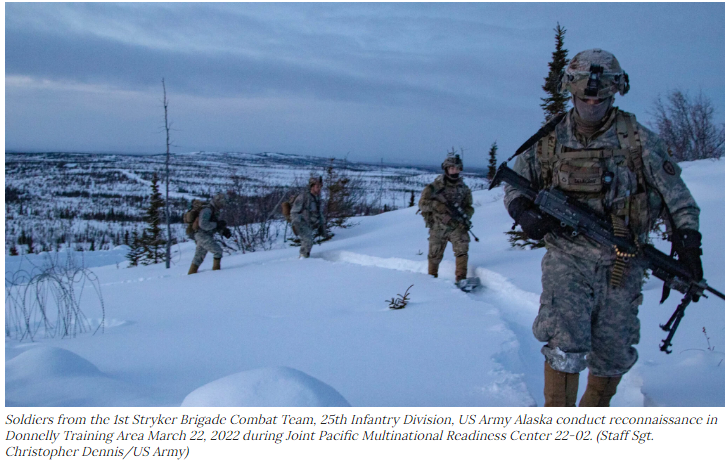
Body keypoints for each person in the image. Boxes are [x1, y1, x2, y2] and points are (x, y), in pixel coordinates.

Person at [503, 49, 702, 407]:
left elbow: (679, 199)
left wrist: (689, 245)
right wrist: (524, 213)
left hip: (623, 260)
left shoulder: (637, 139)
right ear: (571, 91)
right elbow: (515, 182)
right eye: (584, 96)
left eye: (600, 97)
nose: (592, 103)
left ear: (615, 92)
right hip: (568, 256)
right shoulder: (549, 140)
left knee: (613, 350)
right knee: (564, 340)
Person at [419, 152, 474, 283]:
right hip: (438, 226)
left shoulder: (464, 189)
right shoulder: (434, 187)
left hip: (456, 225)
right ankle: (431, 280)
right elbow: (422, 204)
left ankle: (461, 280)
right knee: (434, 254)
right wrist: (436, 205)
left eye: (457, 168)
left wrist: (464, 217)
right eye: (451, 168)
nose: (454, 171)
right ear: (446, 169)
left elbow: (469, 207)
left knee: (462, 250)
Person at [188, 193, 231, 274]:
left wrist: (223, 231)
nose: (224, 205)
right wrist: (217, 225)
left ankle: (191, 275)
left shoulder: (213, 210)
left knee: (198, 258)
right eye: (223, 202)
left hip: (203, 235)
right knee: (217, 251)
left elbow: (213, 224)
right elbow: (203, 224)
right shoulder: (208, 210)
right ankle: (216, 273)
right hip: (202, 234)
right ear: (218, 201)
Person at [291, 176, 326, 258]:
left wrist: (322, 223)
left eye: (320, 187)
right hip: (302, 222)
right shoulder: (303, 197)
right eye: (317, 187)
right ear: (312, 186)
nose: (319, 189)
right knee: (307, 240)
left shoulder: (316, 198)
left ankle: (304, 257)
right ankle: (303, 258)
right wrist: (297, 223)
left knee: (309, 241)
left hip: (310, 223)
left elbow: (318, 212)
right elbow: (294, 212)